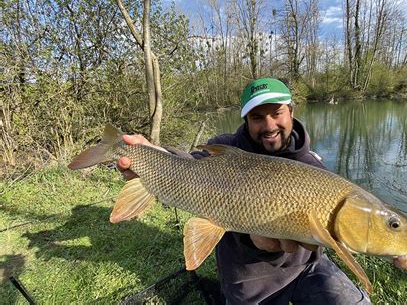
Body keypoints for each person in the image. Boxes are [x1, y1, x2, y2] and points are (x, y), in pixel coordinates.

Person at [118, 78, 370, 304]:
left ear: (291, 112)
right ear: (246, 120)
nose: (269, 125)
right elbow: (191, 164)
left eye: (276, 113)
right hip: (248, 281)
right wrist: (156, 157)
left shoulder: (312, 167)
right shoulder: (226, 148)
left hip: (305, 269)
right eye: (257, 117)